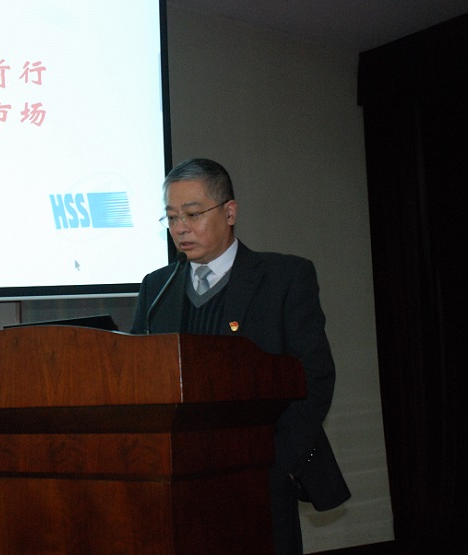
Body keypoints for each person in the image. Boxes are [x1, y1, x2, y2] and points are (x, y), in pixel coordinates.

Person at [131, 158, 350, 555]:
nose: (181, 227)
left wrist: (278, 463)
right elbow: (135, 379)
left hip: (261, 478)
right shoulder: (156, 288)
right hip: (178, 485)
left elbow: (314, 376)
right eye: (172, 217)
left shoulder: (284, 278)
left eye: (193, 214)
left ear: (229, 212)